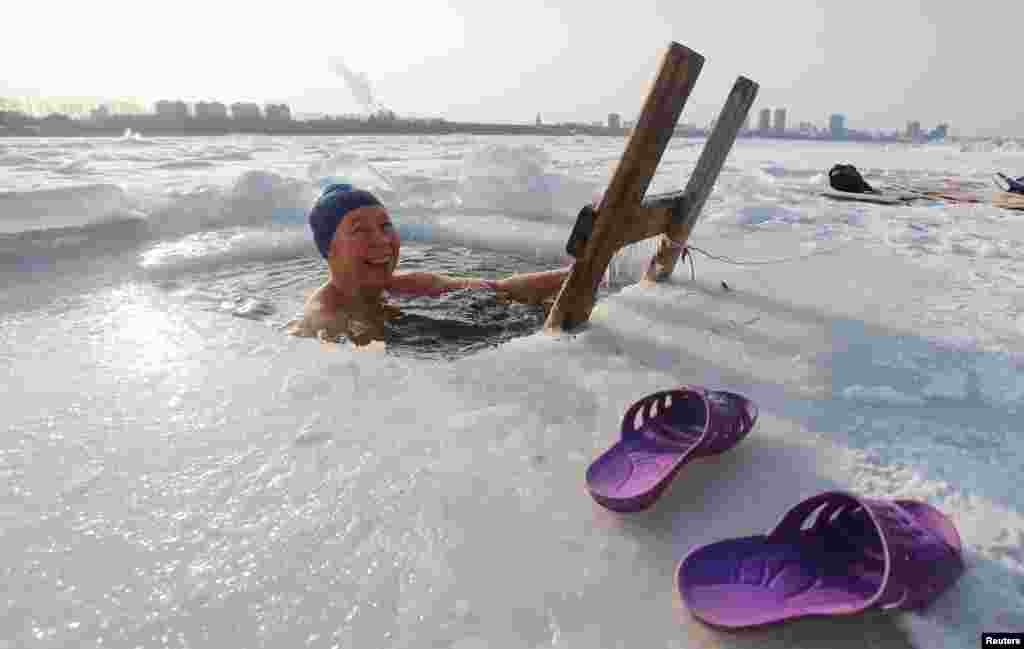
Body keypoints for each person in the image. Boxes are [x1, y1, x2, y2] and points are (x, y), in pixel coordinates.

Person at [286, 184, 572, 345]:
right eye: (360, 230)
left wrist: (575, 273)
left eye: (385, 225)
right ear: (329, 249)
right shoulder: (324, 319)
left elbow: (501, 289)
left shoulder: (406, 285)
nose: (381, 240)